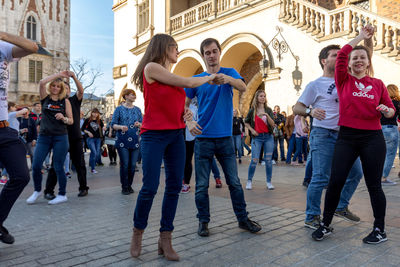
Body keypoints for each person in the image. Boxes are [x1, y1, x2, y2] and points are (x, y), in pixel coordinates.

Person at [129, 33, 216, 261]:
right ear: (163, 47)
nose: (177, 51)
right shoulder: (151, 68)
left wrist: (187, 116)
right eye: (174, 47)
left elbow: (178, 107)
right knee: (150, 186)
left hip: (176, 136)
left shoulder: (171, 77)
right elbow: (188, 83)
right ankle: (138, 233)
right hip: (153, 136)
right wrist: (210, 76)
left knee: (174, 186)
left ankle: (165, 238)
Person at [312, 25, 395, 244]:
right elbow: (340, 55)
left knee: (374, 185)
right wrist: (360, 37)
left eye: (362, 58)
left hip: (372, 138)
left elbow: (390, 108)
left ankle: (379, 230)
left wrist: (387, 110)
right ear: (349, 63)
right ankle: (326, 224)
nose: (358, 60)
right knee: (336, 180)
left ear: (368, 63)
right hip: (347, 138)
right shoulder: (343, 80)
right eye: (354, 58)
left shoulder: (377, 84)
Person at [185, 37, 262, 239]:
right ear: (203, 56)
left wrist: (226, 79)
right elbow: (184, 107)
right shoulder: (198, 79)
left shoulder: (229, 73)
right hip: (203, 139)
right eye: (207, 52)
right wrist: (189, 122)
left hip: (225, 139)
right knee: (201, 185)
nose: (211, 55)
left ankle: (243, 219)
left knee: (234, 182)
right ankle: (203, 221)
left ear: (219, 52)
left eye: (214, 51)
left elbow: (243, 87)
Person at [293, 43, 364, 230]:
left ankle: (341, 206)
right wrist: (310, 110)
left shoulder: (347, 80)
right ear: (324, 61)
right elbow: (296, 107)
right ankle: (312, 216)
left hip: (345, 136)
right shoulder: (315, 85)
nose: (341, 58)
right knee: (320, 177)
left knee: (356, 172)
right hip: (323, 134)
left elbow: (367, 59)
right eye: (335, 55)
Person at [0, 32, 37, 243]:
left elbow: (33, 47)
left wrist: (2, 34)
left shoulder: (3, 48)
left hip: (4, 129)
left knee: (21, 176)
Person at [26, 71, 73, 205]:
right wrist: (59, 74)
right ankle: (37, 191)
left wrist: (63, 118)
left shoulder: (65, 101)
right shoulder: (45, 98)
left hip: (60, 137)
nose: (55, 88)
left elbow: (71, 121)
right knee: (36, 165)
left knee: (58, 166)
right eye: (53, 85)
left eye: (58, 86)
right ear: (50, 86)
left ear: (61, 89)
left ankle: (62, 194)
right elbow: (41, 82)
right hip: (44, 137)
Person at [44, 71, 89, 198]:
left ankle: (83, 188)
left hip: (75, 138)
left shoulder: (74, 100)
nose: (66, 90)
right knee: (55, 164)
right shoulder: (55, 102)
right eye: (65, 88)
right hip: (60, 138)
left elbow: (80, 90)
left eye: (68, 88)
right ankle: (48, 191)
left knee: (79, 163)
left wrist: (74, 77)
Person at [182, 98, 223, 193]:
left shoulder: (201, 100)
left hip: (202, 133)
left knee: (209, 158)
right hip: (188, 135)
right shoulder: (185, 101)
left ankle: (217, 177)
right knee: (187, 158)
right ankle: (186, 183)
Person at [111, 89, 142, 195]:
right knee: (125, 164)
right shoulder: (119, 109)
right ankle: (124, 186)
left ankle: (129, 185)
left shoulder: (138, 109)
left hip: (135, 141)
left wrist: (139, 124)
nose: (134, 96)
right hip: (122, 141)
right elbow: (113, 124)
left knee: (133, 165)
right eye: (131, 94)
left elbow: (143, 124)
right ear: (125, 96)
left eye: (134, 94)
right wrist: (121, 127)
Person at [244, 90, 275, 190]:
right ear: (257, 97)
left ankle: (269, 182)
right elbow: (246, 122)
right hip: (257, 138)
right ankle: (249, 181)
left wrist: (266, 115)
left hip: (268, 137)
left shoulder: (268, 110)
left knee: (268, 160)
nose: (263, 98)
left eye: (264, 96)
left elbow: (273, 124)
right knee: (254, 159)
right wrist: (252, 130)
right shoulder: (252, 110)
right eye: (261, 96)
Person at [380, 84, 400, 185]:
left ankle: (375, 176)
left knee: (380, 154)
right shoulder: (397, 103)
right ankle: (383, 178)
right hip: (391, 129)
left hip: (379, 129)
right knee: (390, 154)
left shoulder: (382, 102)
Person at [82, 108, 104, 174]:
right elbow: (83, 129)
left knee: (97, 153)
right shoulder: (87, 120)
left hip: (98, 139)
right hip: (90, 138)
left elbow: (102, 129)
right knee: (94, 152)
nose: (95, 114)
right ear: (91, 113)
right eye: (94, 112)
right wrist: (88, 132)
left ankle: (92, 164)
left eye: (97, 113)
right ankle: (93, 168)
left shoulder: (99, 121)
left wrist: (102, 137)